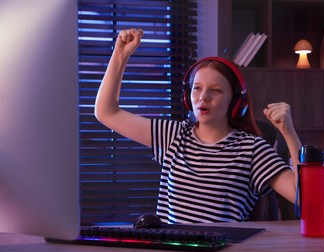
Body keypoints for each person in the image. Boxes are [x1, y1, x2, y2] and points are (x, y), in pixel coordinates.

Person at [95, 28, 302, 224]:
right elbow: (107, 112)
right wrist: (120, 55)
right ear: (187, 96)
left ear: (235, 101)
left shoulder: (252, 149)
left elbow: (305, 199)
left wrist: (289, 133)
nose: (203, 97)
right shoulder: (173, 135)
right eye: (197, 89)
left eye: (215, 90)